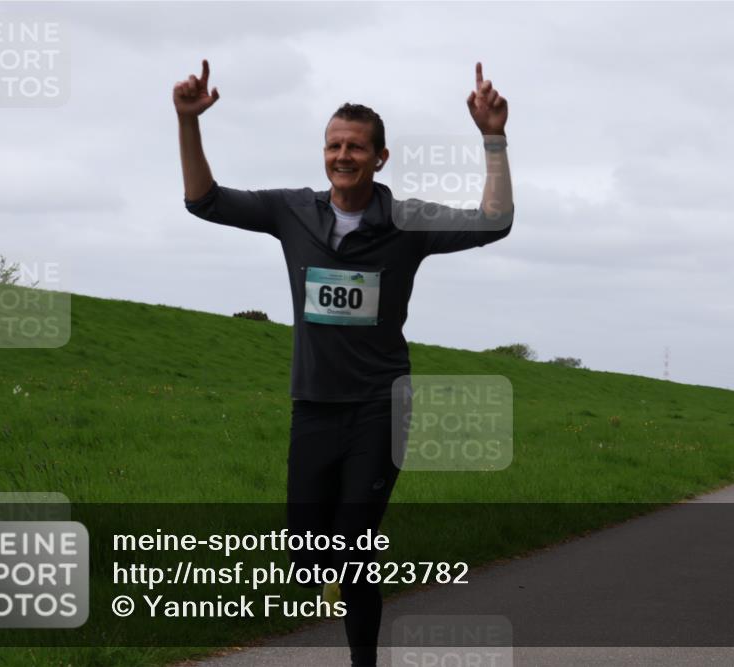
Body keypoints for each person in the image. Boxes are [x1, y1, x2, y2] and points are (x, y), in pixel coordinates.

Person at [175, 59, 513, 667]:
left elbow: (495, 222)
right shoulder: (291, 212)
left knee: (355, 549)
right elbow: (204, 201)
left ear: (380, 158)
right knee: (307, 556)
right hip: (313, 407)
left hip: (380, 408)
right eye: (333, 145)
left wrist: (493, 137)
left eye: (355, 147)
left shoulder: (407, 222)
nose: (342, 155)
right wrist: (187, 121)